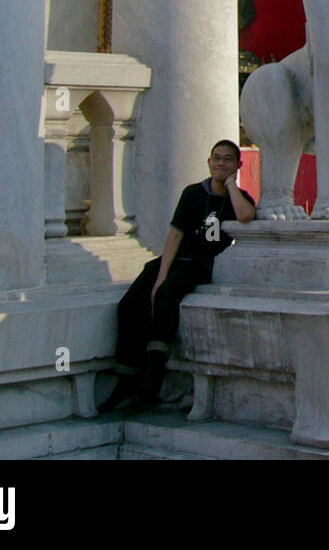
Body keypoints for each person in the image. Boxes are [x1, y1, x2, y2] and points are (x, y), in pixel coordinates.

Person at [99, 139, 257, 411]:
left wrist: (231, 184)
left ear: (238, 164)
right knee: (131, 304)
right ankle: (126, 379)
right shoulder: (193, 193)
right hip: (176, 259)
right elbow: (175, 234)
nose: (221, 163)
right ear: (209, 161)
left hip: (203, 264)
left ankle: (152, 382)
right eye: (216, 158)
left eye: (228, 159)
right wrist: (161, 274)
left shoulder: (239, 198)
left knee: (166, 297)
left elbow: (246, 216)